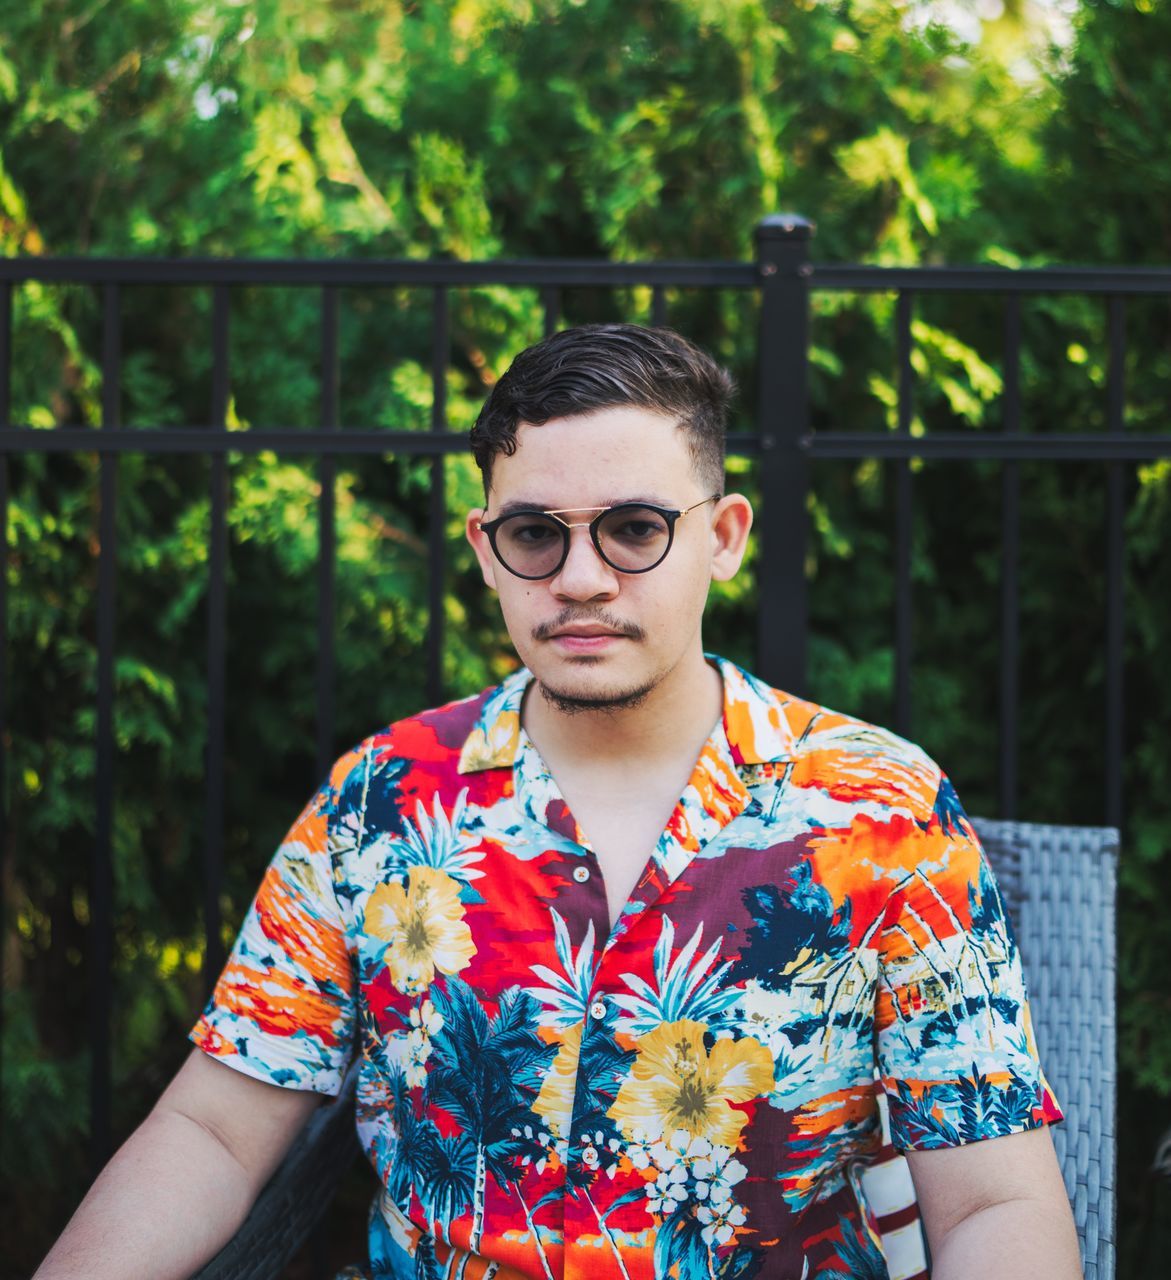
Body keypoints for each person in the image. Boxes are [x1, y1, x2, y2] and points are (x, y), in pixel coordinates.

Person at [34, 324, 1081, 1280]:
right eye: (537, 533)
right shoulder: (382, 800)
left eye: (632, 527)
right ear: (487, 548)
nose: (581, 576)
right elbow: (214, 1128)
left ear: (723, 535)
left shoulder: (879, 809)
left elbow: (992, 1198)